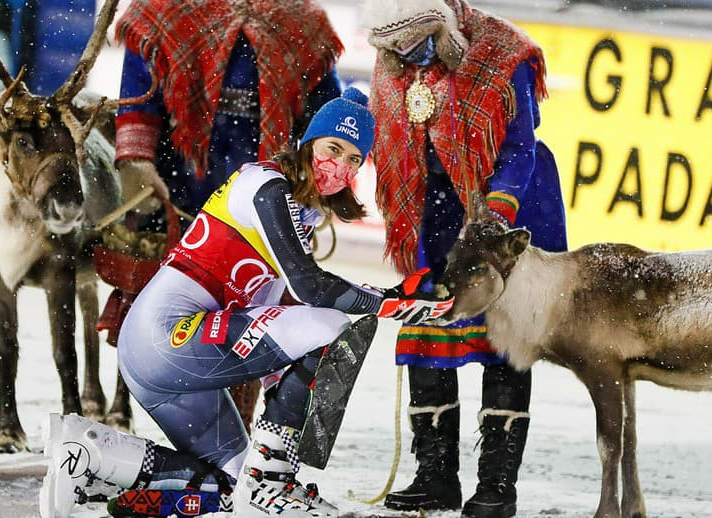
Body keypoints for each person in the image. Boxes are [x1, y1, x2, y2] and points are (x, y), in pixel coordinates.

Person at [38, 88, 454, 518]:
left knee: (233, 485)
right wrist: (386, 301)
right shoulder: (267, 186)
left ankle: (91, 463)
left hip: (171, 352)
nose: (340, 166)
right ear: (308, 143)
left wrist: (284, 409)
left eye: (353, 159)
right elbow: (311, 290)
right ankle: (271, 484)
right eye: (334, 148)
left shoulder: (299, 213)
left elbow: (277, 320)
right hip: (165, 337)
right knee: (329, 324)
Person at [363, 1, 568, 517]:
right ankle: (435, 478)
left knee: (504, 340)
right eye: (397, 47)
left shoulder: (504, 55)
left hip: (506, 203)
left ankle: (497, 487)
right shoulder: (394, 57)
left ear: (445, 23)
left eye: (419, 40)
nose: (410, 55)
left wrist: (493, 218)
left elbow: (520, 148)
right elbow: (389, 137)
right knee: (427, 325)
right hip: (430, 211)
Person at [112, 0, 345, 429]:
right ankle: (168, 424)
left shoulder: (302, 23)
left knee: (254, 316)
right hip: (181, 190)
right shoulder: (161, 13)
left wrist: (318, 181)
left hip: (265, 204)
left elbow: (324, 116)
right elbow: (138, 99)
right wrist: (137, 163)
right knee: (171, 316)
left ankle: (232, 434)